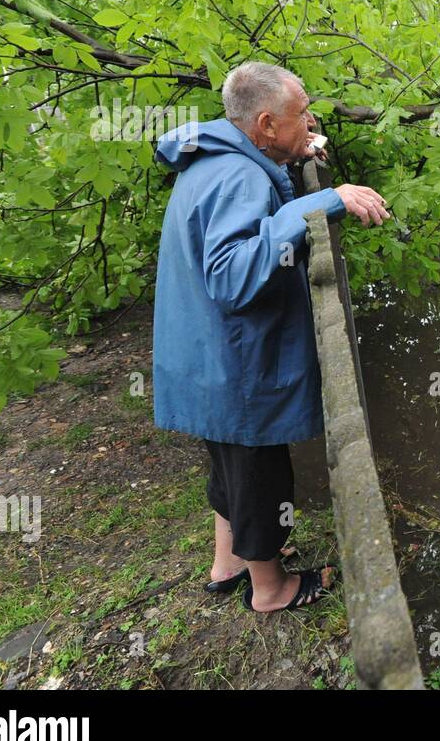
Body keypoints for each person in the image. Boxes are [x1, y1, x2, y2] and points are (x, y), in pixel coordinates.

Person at [152, 62, 389, 612]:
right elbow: (234, 274)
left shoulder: (226, 156)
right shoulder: (237, 175)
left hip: (204, 356)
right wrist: (320, 200)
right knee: (259, 474)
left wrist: (291, 156)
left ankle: (227, 562)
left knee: (229, 463)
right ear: (264, 123)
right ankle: (271, 589)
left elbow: (253, 216)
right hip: (235, 364)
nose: (310, 119)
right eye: (300, 113)